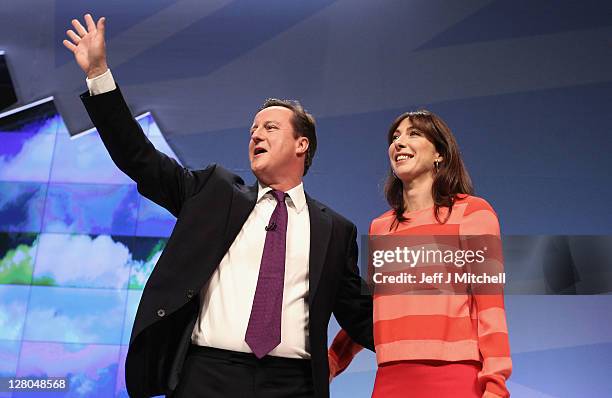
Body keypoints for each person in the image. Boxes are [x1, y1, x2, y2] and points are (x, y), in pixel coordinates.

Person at [62, 14, 373, 398]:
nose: (256, 134)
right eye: (253, 130)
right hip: (207, 376)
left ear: (301, 145)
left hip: (294, 384)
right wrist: (98, 74)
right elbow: (139, 157)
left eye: (270, 128)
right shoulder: (213, 193)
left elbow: (362, 315)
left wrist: (449, 341)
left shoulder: (335, 230)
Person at [328, 110, 512, 397]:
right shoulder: (381, 228)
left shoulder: (473, 213)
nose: (399, 142)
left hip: (455, 377)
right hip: (390, 379)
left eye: (414, 133)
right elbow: (371, 311)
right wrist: (331, 361)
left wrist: (496, 384)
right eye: (395, 137)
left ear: (439, 152)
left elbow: (490, 306)